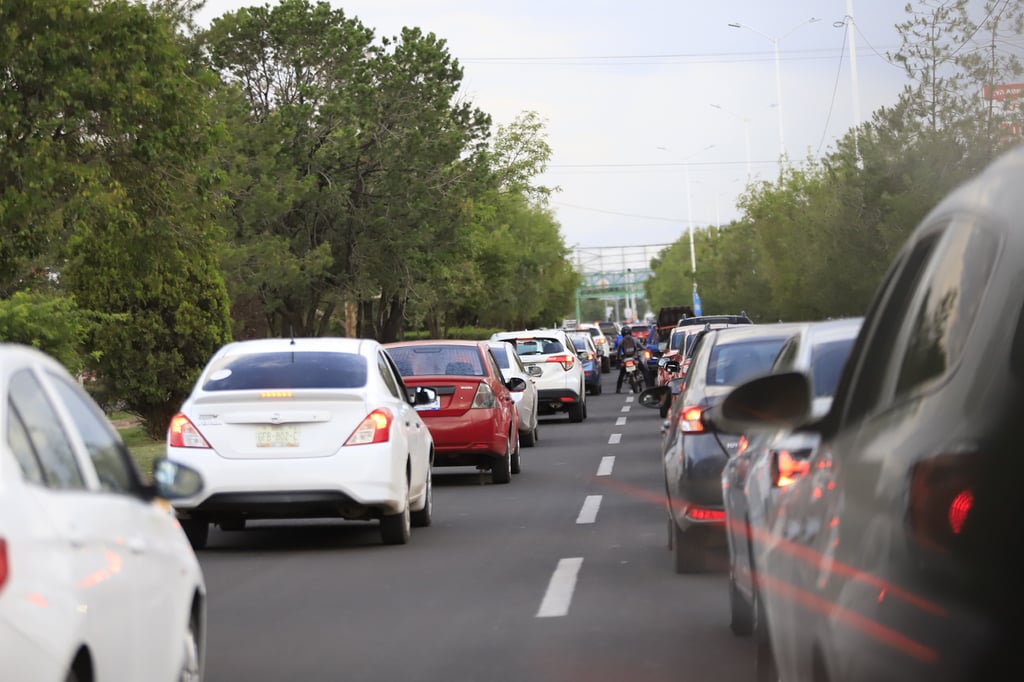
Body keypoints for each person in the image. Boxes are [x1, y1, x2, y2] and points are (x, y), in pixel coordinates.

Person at [615, 325, 650, 393]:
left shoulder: (621, 341)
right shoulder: (635, 339)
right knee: (644, 370)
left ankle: (618, 389)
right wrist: (645, 349)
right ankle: (648, 386)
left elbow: (618, 352)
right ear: (631, 332)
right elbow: (642, 347)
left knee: (621, 375)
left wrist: (618, 359)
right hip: (635, 358)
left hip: (626, 360)